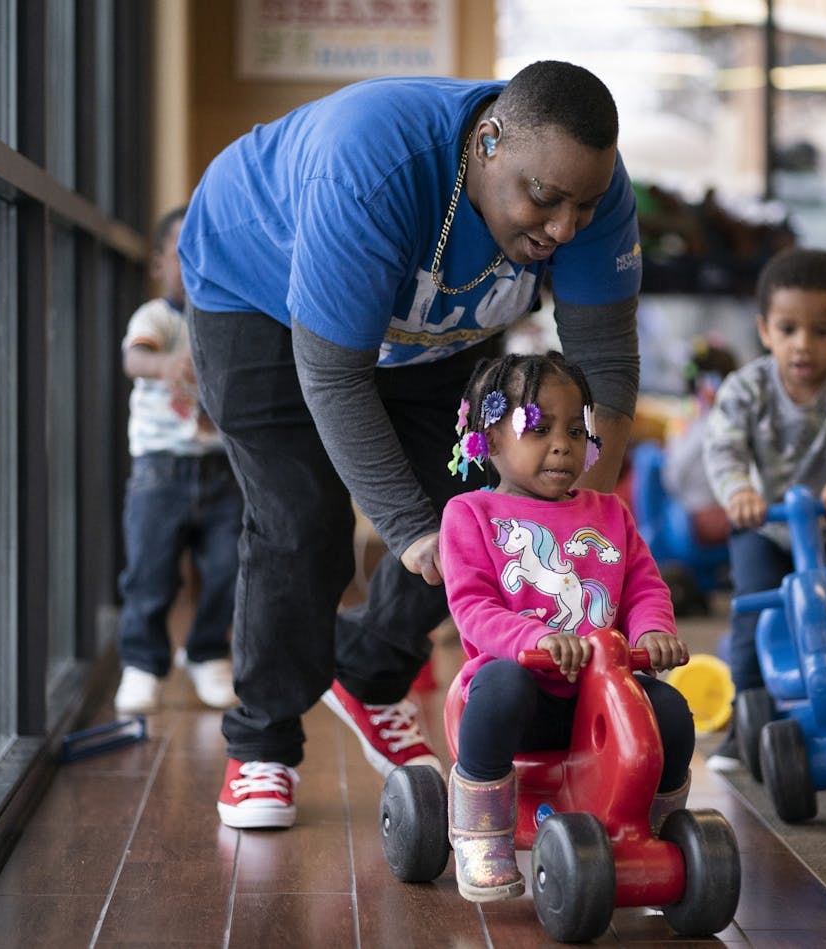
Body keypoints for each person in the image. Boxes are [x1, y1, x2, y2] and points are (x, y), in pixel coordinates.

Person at [179, 61, 643, 830]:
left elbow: (607, 368)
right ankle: (261, 741)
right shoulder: (374, 167)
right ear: (488, 143)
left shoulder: (590, 191)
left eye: (583, 207)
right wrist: (406, 526)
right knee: (303, 519)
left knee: (488, 513)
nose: (564, 229)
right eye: (544, 200)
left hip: (432, 336)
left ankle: (370, 673)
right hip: (255, 294)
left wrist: (584, 520)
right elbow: (333, 377)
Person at [438, 351, 692, 901]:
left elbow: (645, 584)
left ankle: (659, 828)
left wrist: (651, 630)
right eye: (539, 427)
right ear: (491, 437)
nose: (562, 444)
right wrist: (534, 639)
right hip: (517, 696)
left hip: (598, 695)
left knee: (670, 712)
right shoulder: (470, 513)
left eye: (576, 430)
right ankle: (481, 824)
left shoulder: (610, 513)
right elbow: (474, 608)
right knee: (505, 686)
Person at [702, 248, 826, 771]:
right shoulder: (747, 388)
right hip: (763, 524)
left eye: (822, 330)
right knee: (755, 610)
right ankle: (747, 721)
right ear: (765, 330)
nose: (803, 345)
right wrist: (739, 492)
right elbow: (723, 448)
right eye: (788, 329)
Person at [113, 207, 242, 714]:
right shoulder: (156, 318)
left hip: (221, 469)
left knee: (228, 567)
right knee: (149, 572)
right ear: (158, 264)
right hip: (159, 469)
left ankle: (208, 652)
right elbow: (133, 358)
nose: (197, 267)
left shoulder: (227, 319)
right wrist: (165, 363)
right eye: (183, 256)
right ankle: (142, 663)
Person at [662, 336, 739, 548]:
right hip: (702, 510)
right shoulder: (696, 420)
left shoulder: (690, 418)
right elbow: (674, 475)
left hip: (723, 503)